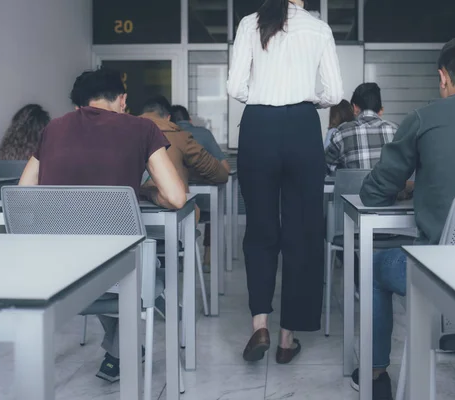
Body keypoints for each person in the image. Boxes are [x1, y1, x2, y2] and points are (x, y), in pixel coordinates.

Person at [354, 36, 455, 400]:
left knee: (374, 268)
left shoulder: (423, 119)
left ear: (443, 77)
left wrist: (412, 186)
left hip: (443, 280)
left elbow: (372, 193)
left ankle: (376, 373)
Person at [19, 68, 186, 383]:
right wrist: (145, 189)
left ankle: (120, 349)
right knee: (141, 267)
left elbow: (23, 192)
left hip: (56, 275)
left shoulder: (53, 129)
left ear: (78, 106)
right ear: (122, 99)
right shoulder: (142, 127)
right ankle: (123, 350)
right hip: (116, 275)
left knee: (104, 268)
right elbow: (177, 197)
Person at [228, 0, 343, 364]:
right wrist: (306, 100)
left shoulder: (250, 22)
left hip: (258, 127)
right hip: (302, 128)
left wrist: (263, 100)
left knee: (260, 229)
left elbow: (234, 86)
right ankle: (286, 338)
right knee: (302, 232)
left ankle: (259, 324)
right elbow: (334, 92)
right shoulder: (318, 28)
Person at [170, 104, 230, 269]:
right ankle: (208, 257)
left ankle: (178, 257)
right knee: (213, 207)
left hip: (177, 203)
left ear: (169, 120)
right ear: (189, 119)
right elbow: (225, 168)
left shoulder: (166, 135)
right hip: (205, 202)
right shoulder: (204, 133)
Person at [139, 96, 229, 201]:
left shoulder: (127, 132)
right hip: (175, 212)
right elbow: (219, 173)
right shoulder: (179, 136)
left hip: (127, 209)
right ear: (168, 118)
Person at [325, 82, 397, 172]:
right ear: (380, 110)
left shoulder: (342, 133)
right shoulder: (396, 131)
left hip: (353, 186)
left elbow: (327, 167)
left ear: (354, 108)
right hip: (388, 186)